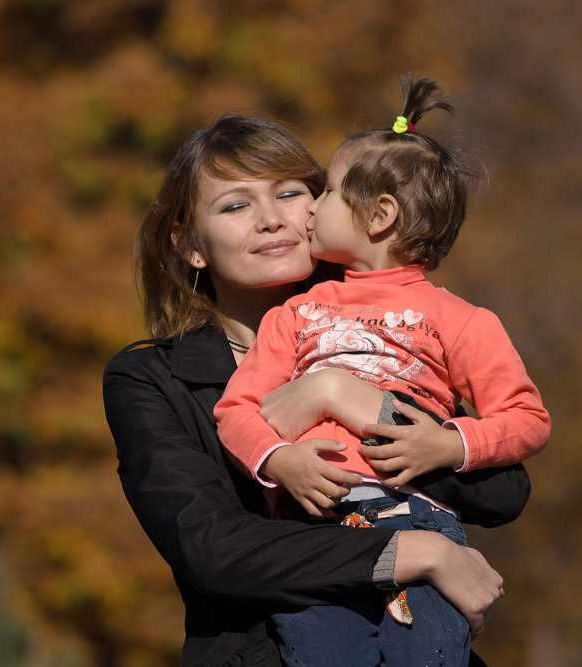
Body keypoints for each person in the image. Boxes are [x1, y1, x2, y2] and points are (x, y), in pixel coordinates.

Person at [103, 113, 530, 667]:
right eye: (236, 205)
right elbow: (217, 552)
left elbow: (501, 492)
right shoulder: (152, 380)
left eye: (290, 193)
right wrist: (416, 552)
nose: (271, 220)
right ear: (191, 246)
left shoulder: (393, 330)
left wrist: (348, 396)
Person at [213, 78, 550, 666]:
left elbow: (526, 419)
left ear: (380, 216)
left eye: (330, 192)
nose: (310, 209)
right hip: (315, 531)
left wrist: (447, 445)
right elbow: (236, 409)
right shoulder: (295, 316)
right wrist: (280, 460)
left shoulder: (460, 320)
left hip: (420, 521)